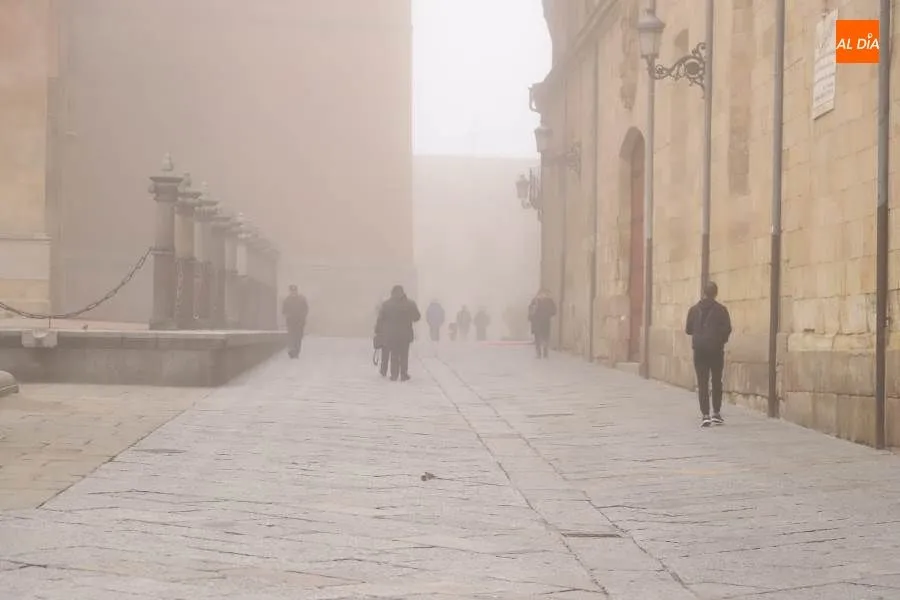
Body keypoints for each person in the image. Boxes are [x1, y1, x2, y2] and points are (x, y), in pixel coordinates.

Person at [685, 281, 732, 428]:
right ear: (716, 293)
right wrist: (720, 340)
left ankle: (705, 415)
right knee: (717, 381)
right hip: (716, 351)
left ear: (704, 292)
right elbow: (728, 329)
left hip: (699, 351)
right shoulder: (722, 310)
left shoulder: (693, 310)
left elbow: (688, 329)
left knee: (702, 382)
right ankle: (716, 413)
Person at [374, 284, 421, 381]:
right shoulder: (410, 304)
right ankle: (403, 374)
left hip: (392, 333)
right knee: (404, 354)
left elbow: (381, 319)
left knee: (394, 354)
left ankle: (394, 374)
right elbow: (417, 317)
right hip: (405, 333)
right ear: (403, 292)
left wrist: (378, 330)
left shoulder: (386, 304)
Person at [282, 285, 309, 359]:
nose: (293, 292)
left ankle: (296, 351)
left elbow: (306, 309)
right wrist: (288, 315)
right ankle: (292, 350)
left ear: (296, 291)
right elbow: (284, 311)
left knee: (298, 337)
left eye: (294, 291)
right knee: (291, 337)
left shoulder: (302, 299)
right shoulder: (287, 300)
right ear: (290, 291)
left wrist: (303, 316)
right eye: (292, 291)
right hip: (291, 322)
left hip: (300, 322)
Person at [528, 289, 556, 359]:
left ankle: (543, 353)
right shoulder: (535, 301)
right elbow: (530, 310)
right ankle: (540, 353)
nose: (542, 295)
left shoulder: (547, 301)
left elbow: (554, 310)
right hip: (539, 322)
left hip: (543, 322)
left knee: (544, 337)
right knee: (540, 337)